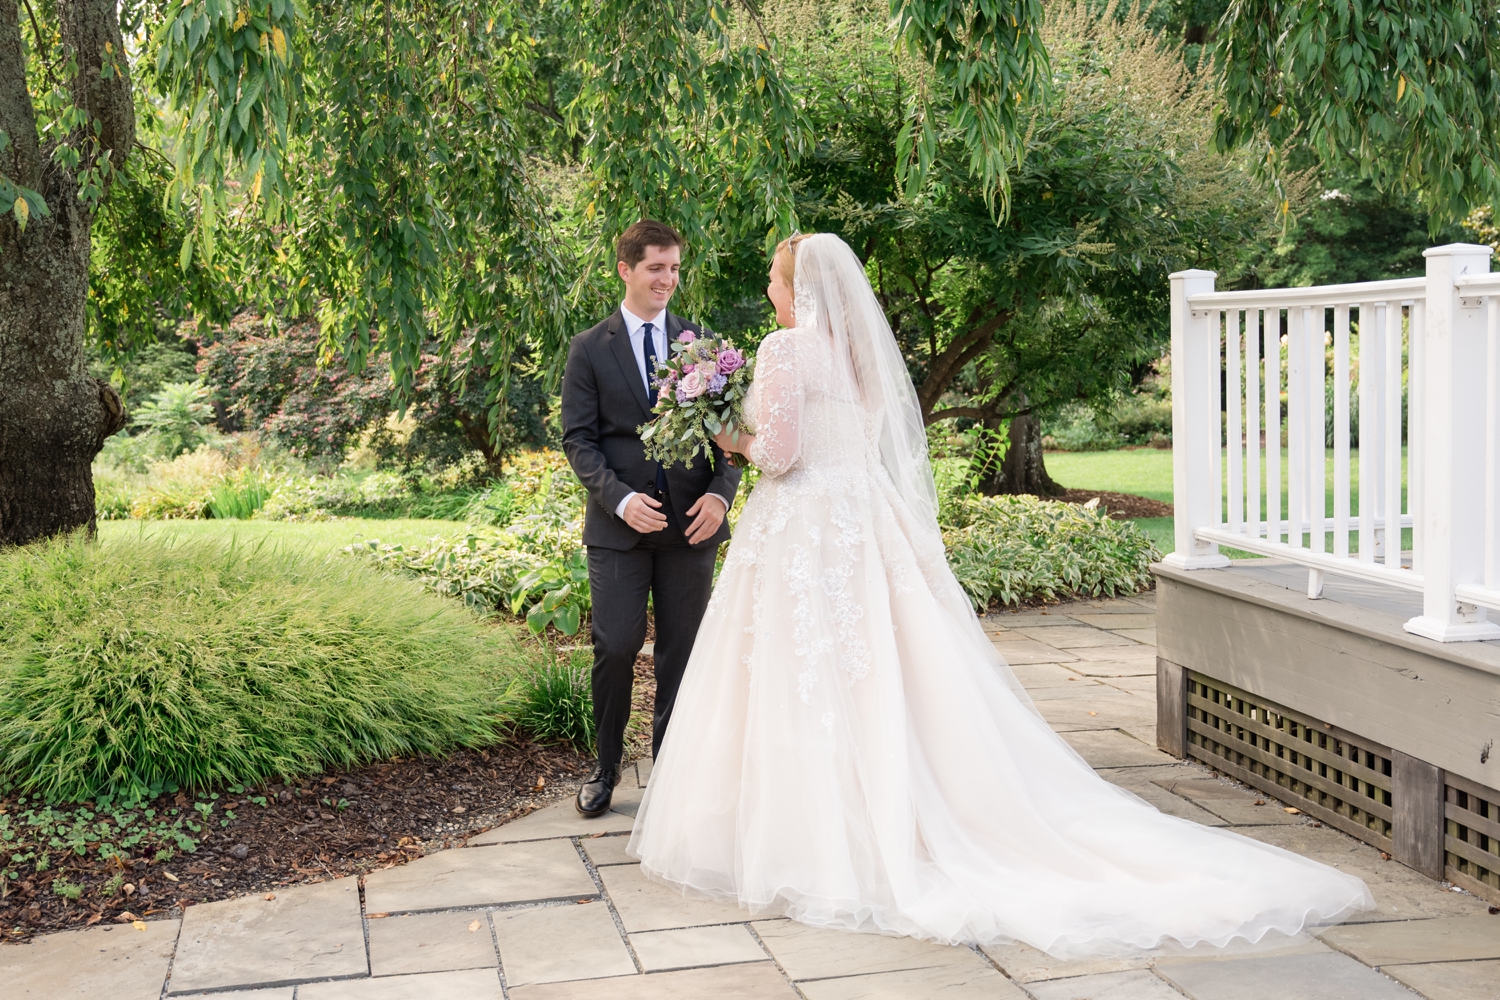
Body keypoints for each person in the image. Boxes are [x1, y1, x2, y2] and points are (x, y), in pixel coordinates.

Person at [626, 232, 1373, 957]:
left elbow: (783, 455)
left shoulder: (785, 349)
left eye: (776, 280)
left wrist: (733, 441)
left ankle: (814, 835)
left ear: (800, 291)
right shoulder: (859, 353)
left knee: (802, 674)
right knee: (884, 673)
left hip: (808, 528)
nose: (769, 290)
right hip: (865, 518)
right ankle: (903, 805)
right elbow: (861, 434)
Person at [561, 220, 742, 818]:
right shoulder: (590, 348)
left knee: (682, 651)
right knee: (615, 646)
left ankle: (672, 771)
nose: (667, 280)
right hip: (618, 528)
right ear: (626, 270)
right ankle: (605, 767)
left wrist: (719, 497)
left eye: (674, 268)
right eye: (656, 268)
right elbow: (579, 441)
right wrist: (618, 499)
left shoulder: (704, 343)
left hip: (691, 528)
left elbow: (735, 441)